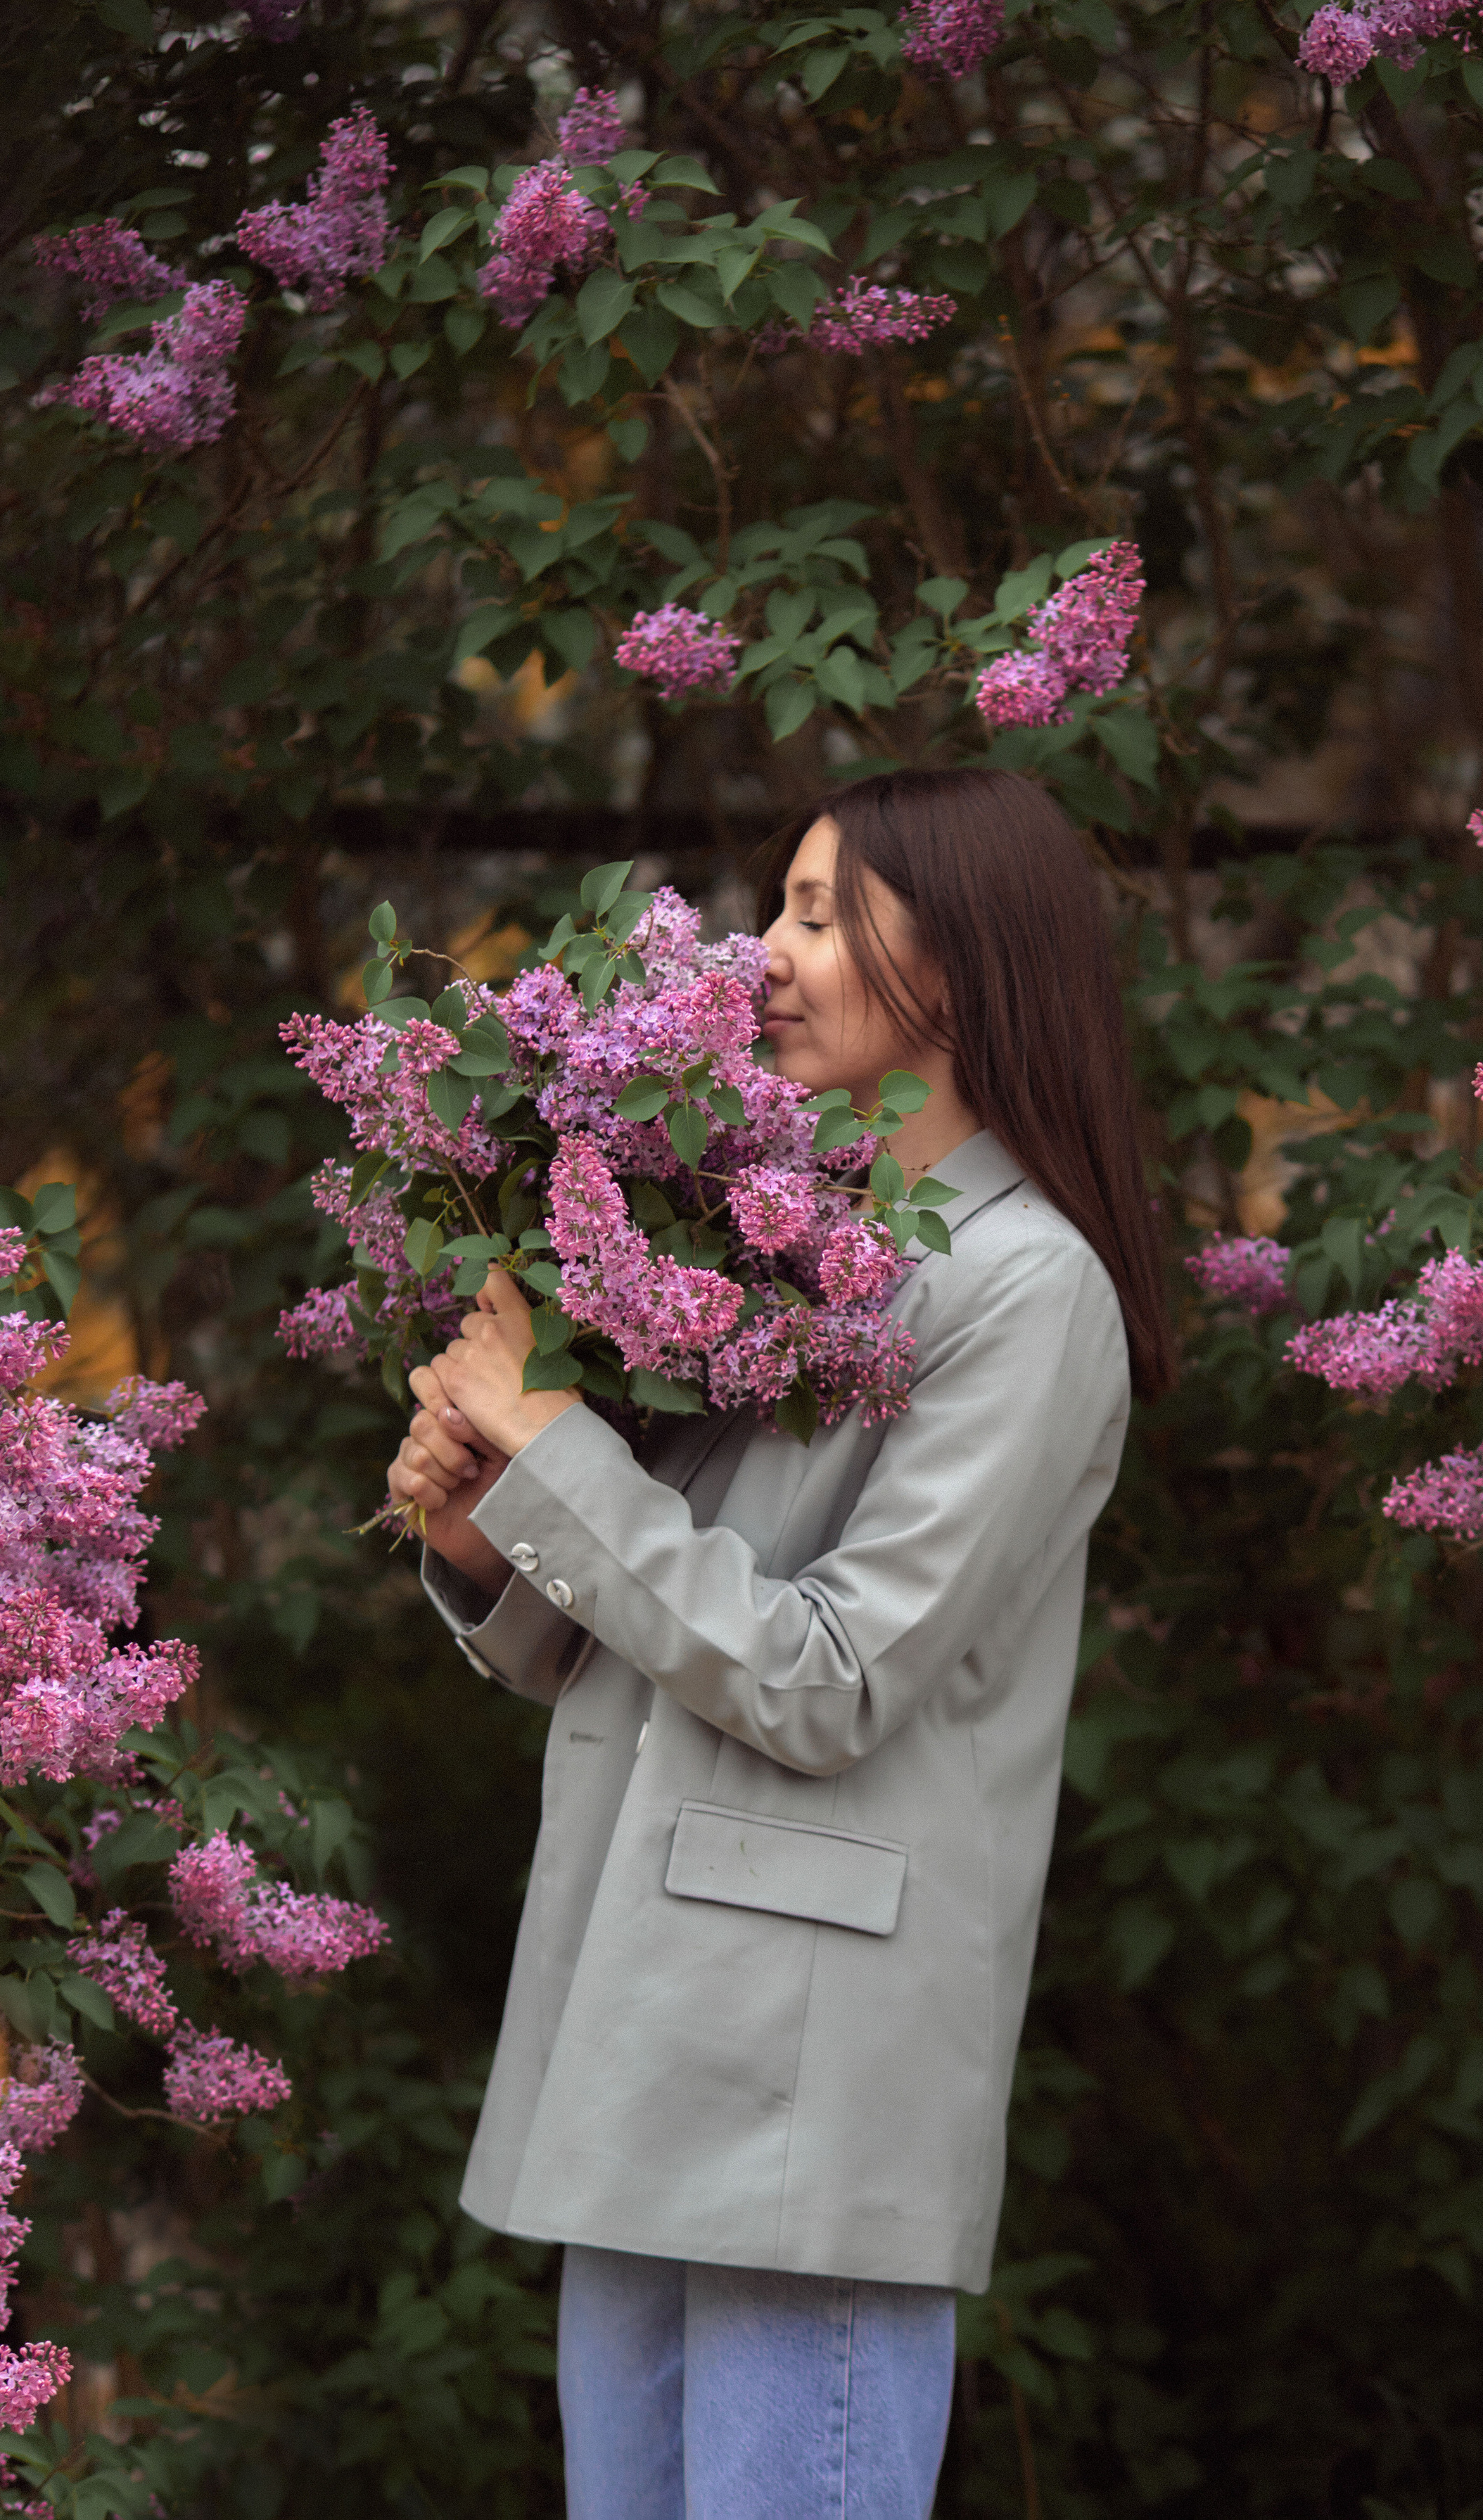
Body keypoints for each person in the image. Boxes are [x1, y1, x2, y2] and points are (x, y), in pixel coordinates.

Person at [387, 765, 1173, 2520]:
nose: (762, 956)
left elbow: (824, 1677)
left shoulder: (1027, 1290)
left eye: (818, 916)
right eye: (779, 910)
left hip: (806, 2079)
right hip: (638, 2023)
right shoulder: (797, 1249)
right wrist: (489, 1527)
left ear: (959, 959)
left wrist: (554, 1444)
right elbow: (647, 1634)